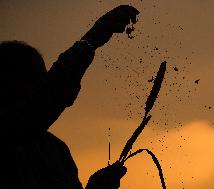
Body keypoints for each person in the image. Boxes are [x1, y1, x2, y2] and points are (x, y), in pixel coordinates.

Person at [0, 5, 139, 189]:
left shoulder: (56, 151)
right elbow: (42, 103)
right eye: (33, 79)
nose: (42, 87)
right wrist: (90, 41)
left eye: (44, 79)